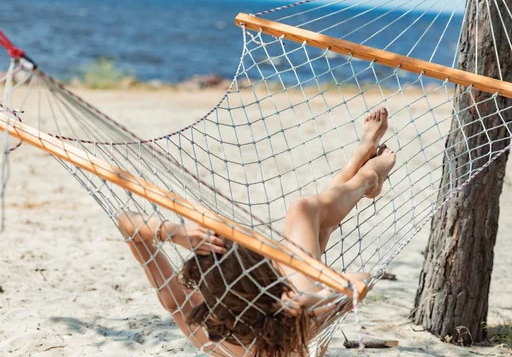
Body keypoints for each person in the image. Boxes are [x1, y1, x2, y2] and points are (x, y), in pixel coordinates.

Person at [117, 107, 395, 357]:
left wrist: (175, 231)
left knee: (313, 223)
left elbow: (126, 222)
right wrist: (307, 296)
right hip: (301, 298)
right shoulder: (298, 323)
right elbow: (362, 283)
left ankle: (358, 162)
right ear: (270, 277)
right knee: (303, 210)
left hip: (292, 298)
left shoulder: (201, 326)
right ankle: (369, 178)